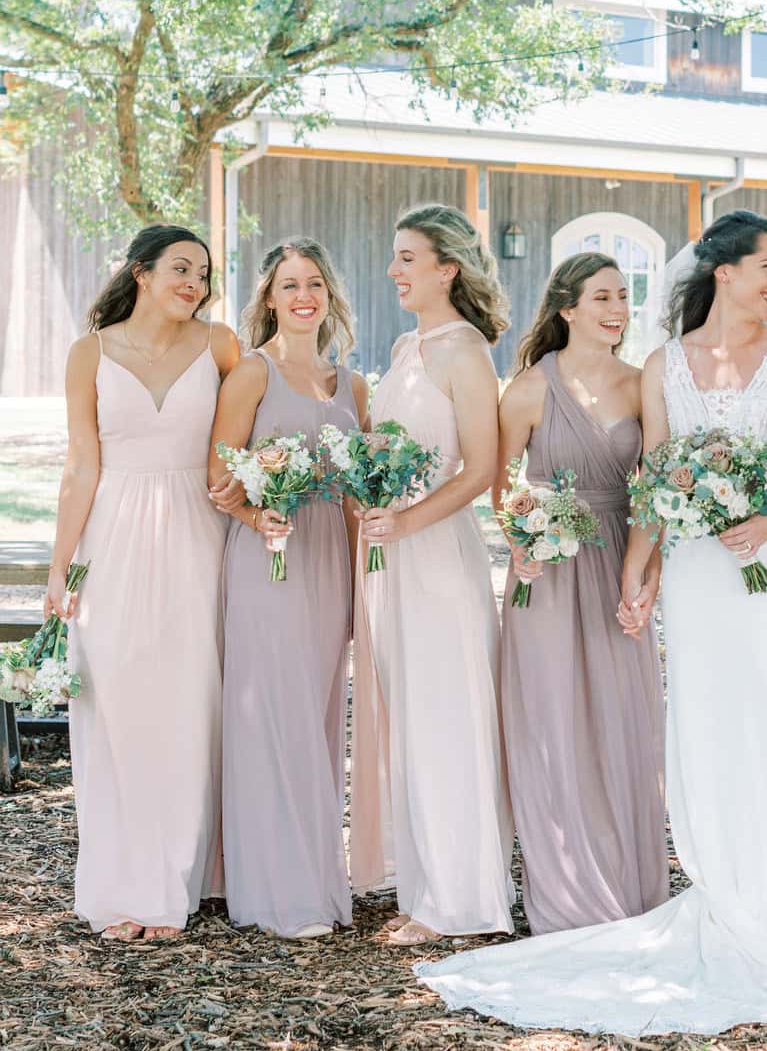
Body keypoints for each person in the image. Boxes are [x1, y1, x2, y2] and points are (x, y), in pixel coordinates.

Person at [417, 210, 767, 1033]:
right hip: (697, 574)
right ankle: (714, 884)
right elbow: (656, 475)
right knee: (700, 723)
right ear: (725, 272)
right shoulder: (666, 365)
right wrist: (640, 566)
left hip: (765, 568)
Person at [46, 225, 239, 941]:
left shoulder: (221, 346)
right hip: (115, 537)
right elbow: (80, 465)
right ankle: (120, 887)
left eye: (204, 273)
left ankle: (177, 884)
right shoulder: (88, 353)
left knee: (191, 703)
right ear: (141, 273)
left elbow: (241, 442)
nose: (194, 282)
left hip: (199, 533)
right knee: (118, 705)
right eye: (181, 268)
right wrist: (62, 564)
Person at [349, 203, 514, 947]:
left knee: (448, 718)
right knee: (412, 718)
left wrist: (408, 521)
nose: (395, 271)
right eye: (395, 257)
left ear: (447, 267)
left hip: (440, 557)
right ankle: (424, 888)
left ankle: (462, 900)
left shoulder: (464, 352)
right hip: (393, 556)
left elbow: (481, 468)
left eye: (407, 257)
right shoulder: (405, 346)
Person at [496, 253, 668, 932]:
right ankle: (565, 890)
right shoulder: (529, 390)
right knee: (550, 719)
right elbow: (500, 482)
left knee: (623, 720)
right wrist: (518, 538)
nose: (617, 308)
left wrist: (644, 568)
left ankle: (627, 883)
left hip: (617, 565)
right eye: (601, 296)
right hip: (546, 570)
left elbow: (655, 482)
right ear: (567, 308)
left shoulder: (640, 383)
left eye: (623, 296)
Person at [209, 238, 367, 940]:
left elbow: (359, 499)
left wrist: (364, 596)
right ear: (268, 299)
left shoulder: (353, 386)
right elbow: (217, 481)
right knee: (270, 712)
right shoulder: (251, 373)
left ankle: (314, 873)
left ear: (328, 295)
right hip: (268, 555)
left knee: (319, 715)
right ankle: (275, 890)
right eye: (288, 285)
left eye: (314, 283)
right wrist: (255, 510)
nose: (303, 296)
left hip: (331, 557)